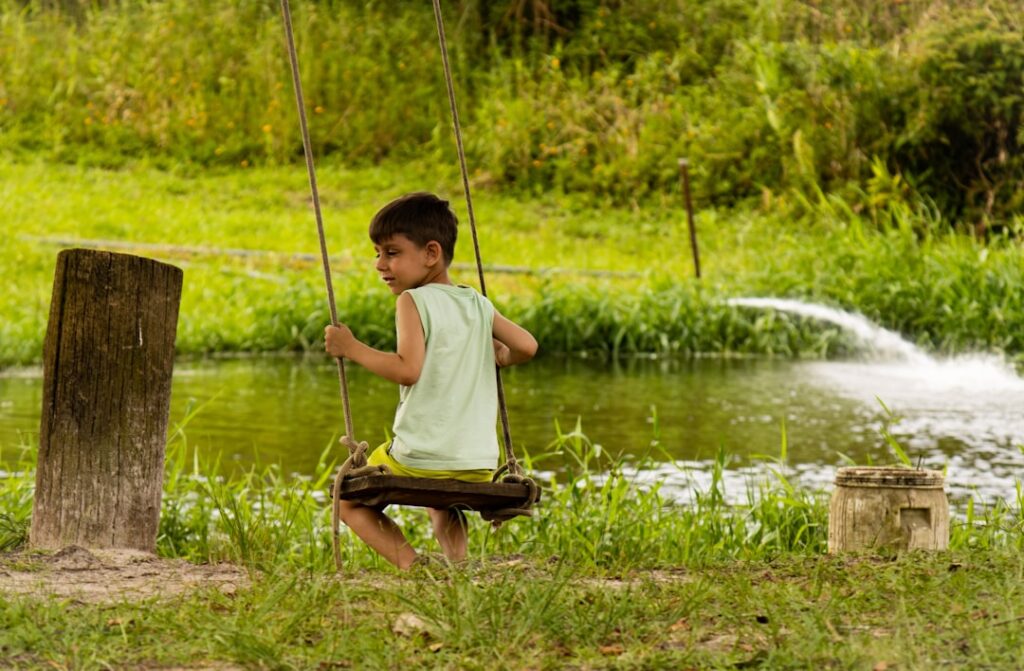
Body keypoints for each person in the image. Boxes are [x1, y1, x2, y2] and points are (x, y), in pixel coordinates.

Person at [324, 192, 538, 570]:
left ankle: (412, 565)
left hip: (419, 458)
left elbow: (408, 369)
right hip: (478, 463)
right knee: (442, 498)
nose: (379, 264)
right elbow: (527, 346)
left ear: (431, 253)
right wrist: (501, 356)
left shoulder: (412, 301)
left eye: (391, 252)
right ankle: (457, 564)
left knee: (347, 498)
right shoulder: (476, 302)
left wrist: (351, 347)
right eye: (377, 253)